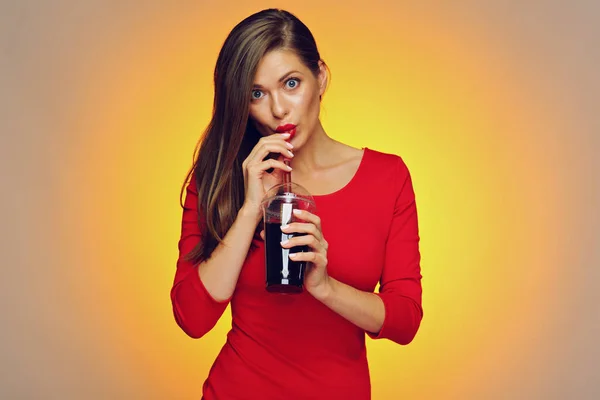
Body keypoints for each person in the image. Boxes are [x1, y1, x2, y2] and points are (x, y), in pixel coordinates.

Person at [170, 8, 423, 400]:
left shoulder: (387, 178)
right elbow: (192, 318)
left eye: (291, 83)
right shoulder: (220, 178)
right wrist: (252, 207)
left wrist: (324, 287)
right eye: (257, 93)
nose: (278, 110)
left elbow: (405, 320)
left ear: (320, 78)